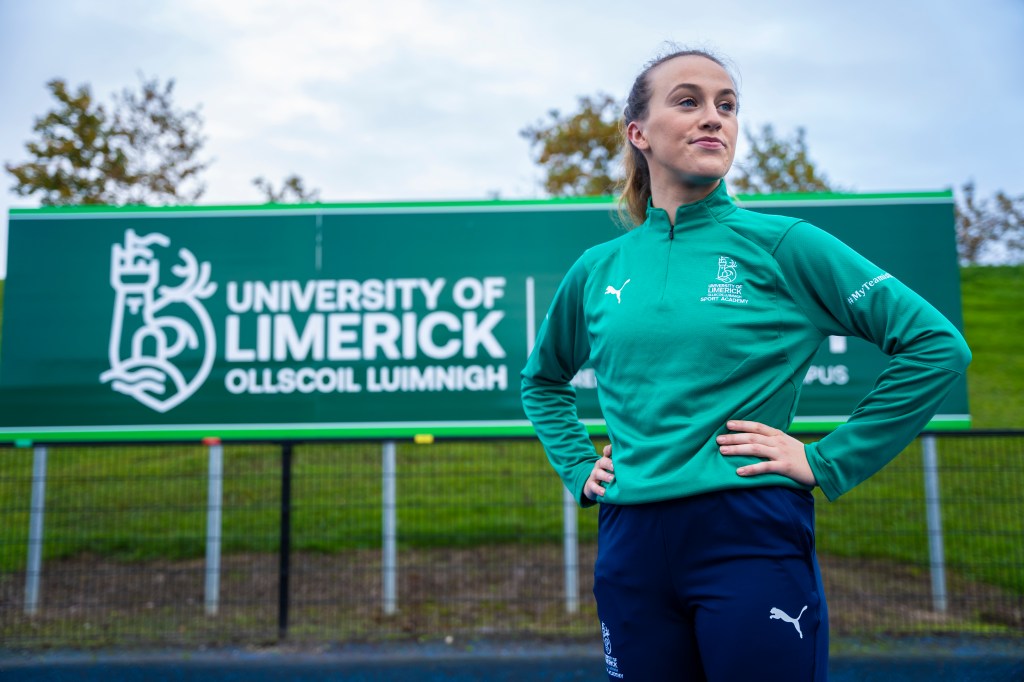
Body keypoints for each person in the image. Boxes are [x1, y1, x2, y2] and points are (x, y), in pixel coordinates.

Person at [520, 47, 971, 681]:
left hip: (748, 534)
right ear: (638, 133)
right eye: (689, 101)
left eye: (727, 106)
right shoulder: (597, 268)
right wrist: (575, 464)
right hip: (629, 542)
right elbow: (542, 381)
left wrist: (825, 459)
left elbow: (936, 346)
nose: (714, 118)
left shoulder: (785, 245)